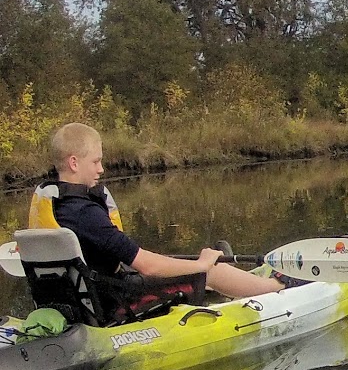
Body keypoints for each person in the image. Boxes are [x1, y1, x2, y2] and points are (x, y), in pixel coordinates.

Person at [40, 123, 286, 299]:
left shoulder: (55, 204)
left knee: (188, 269)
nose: (101, 168)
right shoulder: (86, 213)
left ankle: (243, 286)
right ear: (74, 162)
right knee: (212, 272)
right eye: (96, 161)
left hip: (82, 299)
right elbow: (149, 267)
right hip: (113, 301)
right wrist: (202, 265)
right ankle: (279, 288)